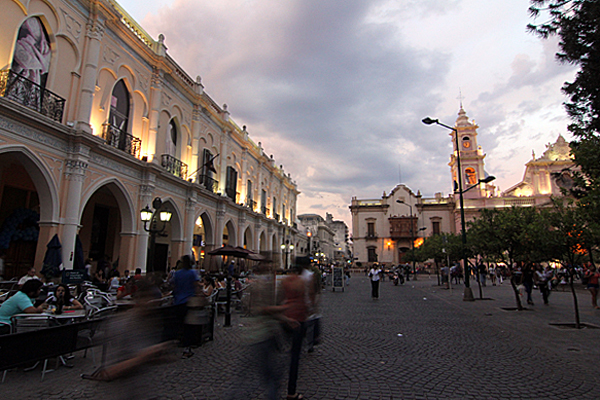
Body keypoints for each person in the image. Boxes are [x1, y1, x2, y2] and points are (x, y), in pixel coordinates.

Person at [282, 262, 309, 400]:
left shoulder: (285, 282)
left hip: (286, 318)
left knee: (284, 351)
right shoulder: (301, 282)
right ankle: (291, 391)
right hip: (298, 319)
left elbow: (280, 300)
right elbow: (307, 301)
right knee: (294, 355)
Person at [169, 255, 200, 358]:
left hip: (178, 301)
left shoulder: (177, 274)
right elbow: (196, 286)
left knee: (180, 324)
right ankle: (187, 348)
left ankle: (178, 343)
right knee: (189, 326)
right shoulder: (192, 273)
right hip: (189, 302)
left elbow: (173, 285)